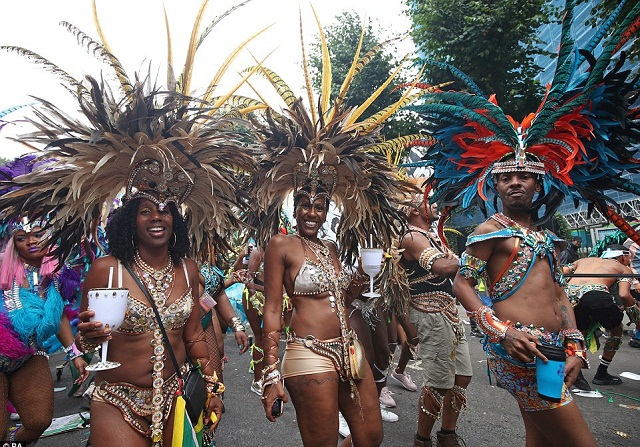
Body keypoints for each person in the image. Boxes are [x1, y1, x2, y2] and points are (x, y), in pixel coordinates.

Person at [452, 157, 597, 446]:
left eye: (524, 177)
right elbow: (461, 283)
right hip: (521, 352)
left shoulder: (545, 238)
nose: (515, 183)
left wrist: (575, 345)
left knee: (540, 438)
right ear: (496, 186)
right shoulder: (488, 231)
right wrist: (501, 331)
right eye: (506, 178)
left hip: (553, 352)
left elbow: (558, 294)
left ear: (538, 184)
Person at [0, 218, 88, 443]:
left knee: (38, 421)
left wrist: (74, 354)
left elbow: (58, 315)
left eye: (38, 235)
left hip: (28, 355)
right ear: (13, 243)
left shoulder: (58, 274)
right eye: (22, 238)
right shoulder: (2, 268)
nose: (31, 241)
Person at [398, 195, 472, 447]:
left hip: (449, 312)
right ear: (411, 208)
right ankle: (422, 440)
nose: (434, 204)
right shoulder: (410, 236)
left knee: (462, 376)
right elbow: (441, 267)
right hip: (428, 313)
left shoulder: (432, 236)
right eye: (427, 200)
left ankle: (447, 435)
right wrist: (477, 258)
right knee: (439, 382)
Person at [564, 245, 638, 388]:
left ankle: (574, 370)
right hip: (595, 295)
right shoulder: (623, 269)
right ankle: (601, 374)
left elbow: (562, 271)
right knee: (616, 330)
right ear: (623, 257)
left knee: (579, 333)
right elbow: (624, 295)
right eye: (629, 257)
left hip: (569, 296)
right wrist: (636, 315)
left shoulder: (584, 260)